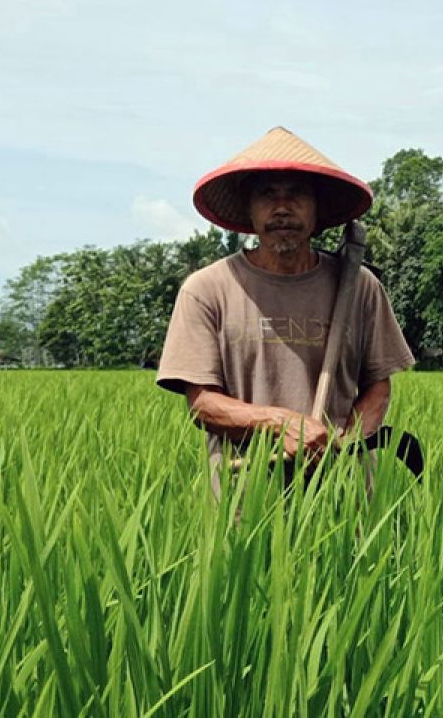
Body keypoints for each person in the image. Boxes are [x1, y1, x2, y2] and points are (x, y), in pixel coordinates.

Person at [156, 126, 419, 497]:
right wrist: (281, 424)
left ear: (316, 207)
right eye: (267, 195)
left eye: (296, 194)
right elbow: (202, 405)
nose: (282, 208)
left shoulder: (359, 287)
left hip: (343, 496)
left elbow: (378, 385)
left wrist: (342, 442)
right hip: (243, 495)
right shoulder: (207, 290)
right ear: (249, 208)